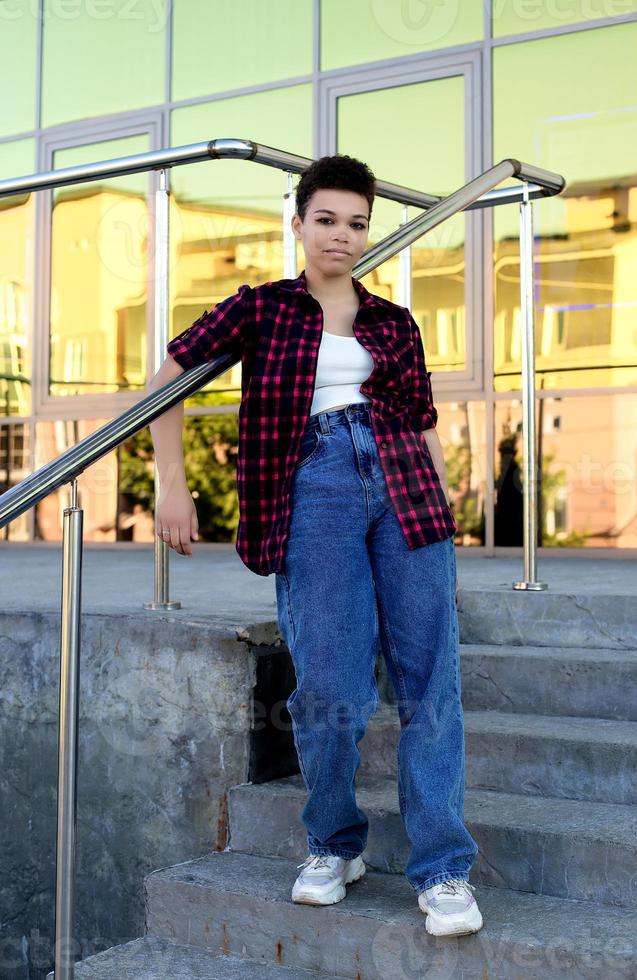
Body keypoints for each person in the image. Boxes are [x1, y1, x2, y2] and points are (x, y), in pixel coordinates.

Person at [148, 154, 483, 938]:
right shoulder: (261, 309)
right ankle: (334, 843)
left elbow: (424, 421)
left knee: (431, 679)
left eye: (357, 222)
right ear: (297, 224)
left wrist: (446, 516)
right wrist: (171, 483)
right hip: (316, 485)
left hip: (404, 487)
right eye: (326, 219)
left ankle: (443, 868)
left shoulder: (394, 321)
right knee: (330, 684)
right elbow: (169, 376)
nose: (342, 234)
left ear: (370, 229)